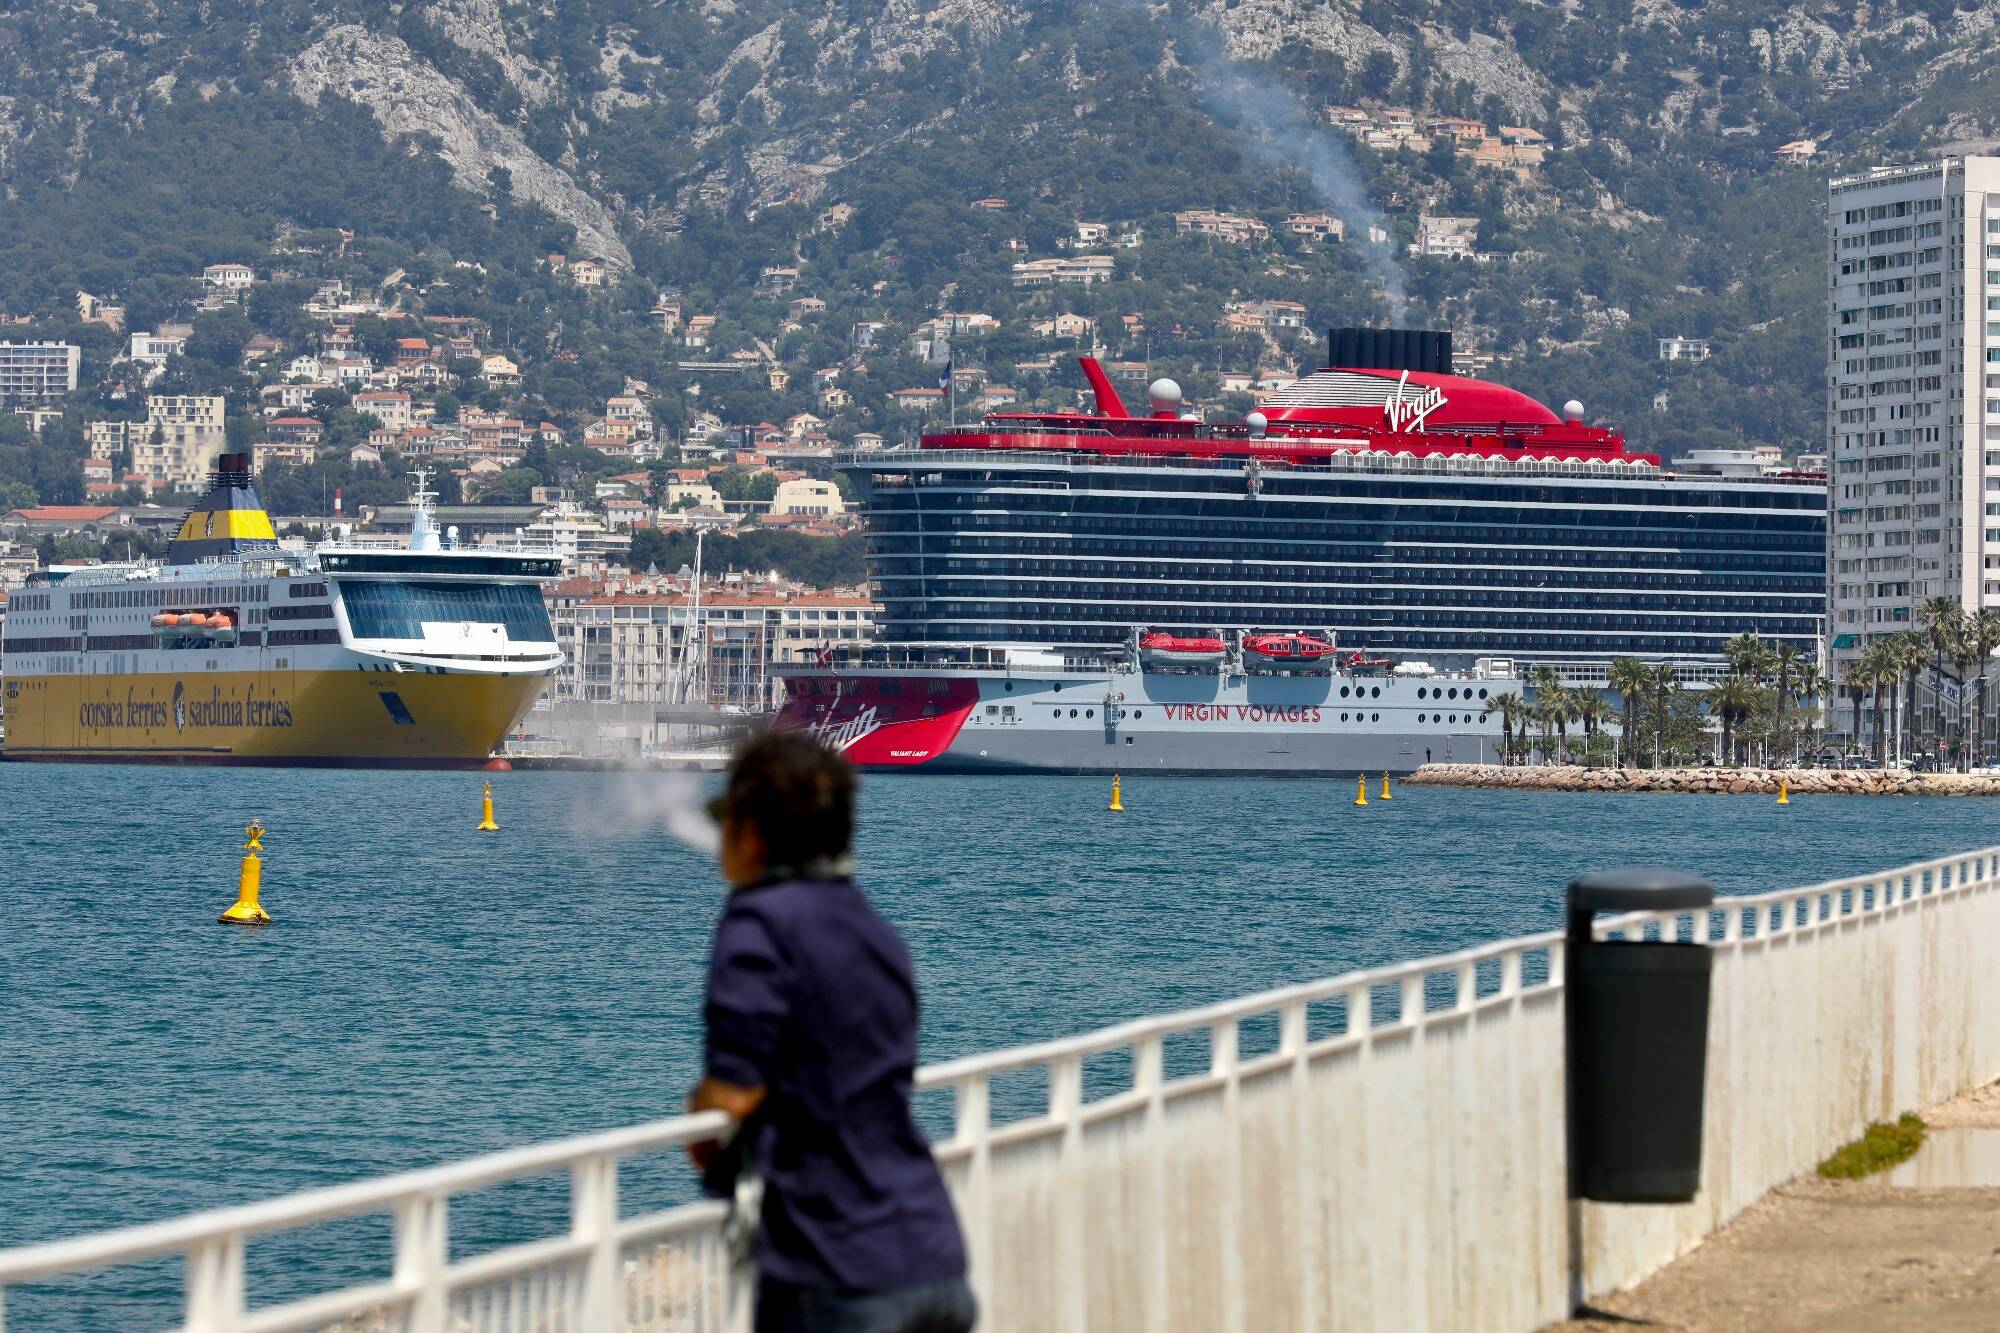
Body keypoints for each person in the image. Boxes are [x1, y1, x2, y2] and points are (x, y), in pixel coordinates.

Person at [690, 729, 976, 1333]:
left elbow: (733, 1093)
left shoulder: (758, 923)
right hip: (933, 1256)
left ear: (752, 834)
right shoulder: (874, 929)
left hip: (835, 1270)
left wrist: (702, 1115)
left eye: (725, 819)